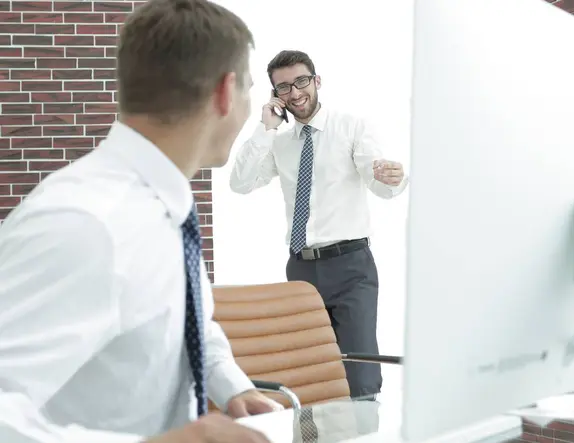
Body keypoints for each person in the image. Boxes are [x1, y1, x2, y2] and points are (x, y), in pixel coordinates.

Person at [0, 1, 279, 442]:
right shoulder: (85, 224)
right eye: (249, 89)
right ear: (226, 93)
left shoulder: (169, 205)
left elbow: (187, 320)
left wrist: (232, 385)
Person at [229, 50, 408, 399]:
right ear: (275, 96)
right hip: (301, 269)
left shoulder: (351, 127)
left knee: (359, 375)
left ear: (317, 81)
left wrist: (393, 177)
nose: (295, 93)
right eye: (283, 88)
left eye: (301, 82)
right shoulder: (279, 142)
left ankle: (361, 436)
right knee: (307, 374)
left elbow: (381, 184)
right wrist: (265, 128)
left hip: (350, 267)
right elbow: (241, 183)